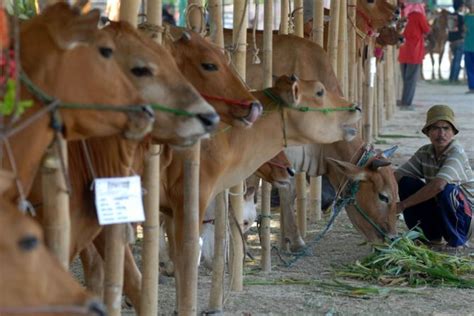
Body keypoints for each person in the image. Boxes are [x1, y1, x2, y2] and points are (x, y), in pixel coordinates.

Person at [395, 105, 473, 248]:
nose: (441, 133)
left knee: (446, 190)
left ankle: (457, 241)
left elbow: (438, 185)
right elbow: (397, 175)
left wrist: (402, 205)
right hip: (441, 212)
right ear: (428, 132)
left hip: (465, 219)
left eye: (446, 128)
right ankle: (428, 236)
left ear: (453, 132)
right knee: (407, 183)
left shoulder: (457, 153)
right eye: (435, 128)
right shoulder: (425, 152)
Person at [398, 0, 430, 110]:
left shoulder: (403, 14)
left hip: (403, 51)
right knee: (411, 79)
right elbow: (426, 29)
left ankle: (404, 100)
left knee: (405, 78)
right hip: (415, 51)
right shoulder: (418, 15)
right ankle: (406, 103)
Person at [447, 0, 465, 83]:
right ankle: (454, 78)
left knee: (454, 60)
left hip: (451, 41)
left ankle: (451, 77)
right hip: (459, 40)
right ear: (460, 7)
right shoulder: (461, 17)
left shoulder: (449, 16)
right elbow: (464, 28)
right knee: (457, 60)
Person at [464, 4, 474, 93]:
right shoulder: (466, 17)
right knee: (469, 68)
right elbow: (463, 29)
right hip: (467, 46)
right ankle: (471, 87)